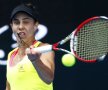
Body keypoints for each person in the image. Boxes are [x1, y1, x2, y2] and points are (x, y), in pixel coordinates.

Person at [6, 2, 55, 90]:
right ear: (12, 26)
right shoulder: (11, 55)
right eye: (16, 22)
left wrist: (35, 60)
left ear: (35, 25)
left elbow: (48, 78)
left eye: (26, 22)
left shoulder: (43, 48)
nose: (20, 26)